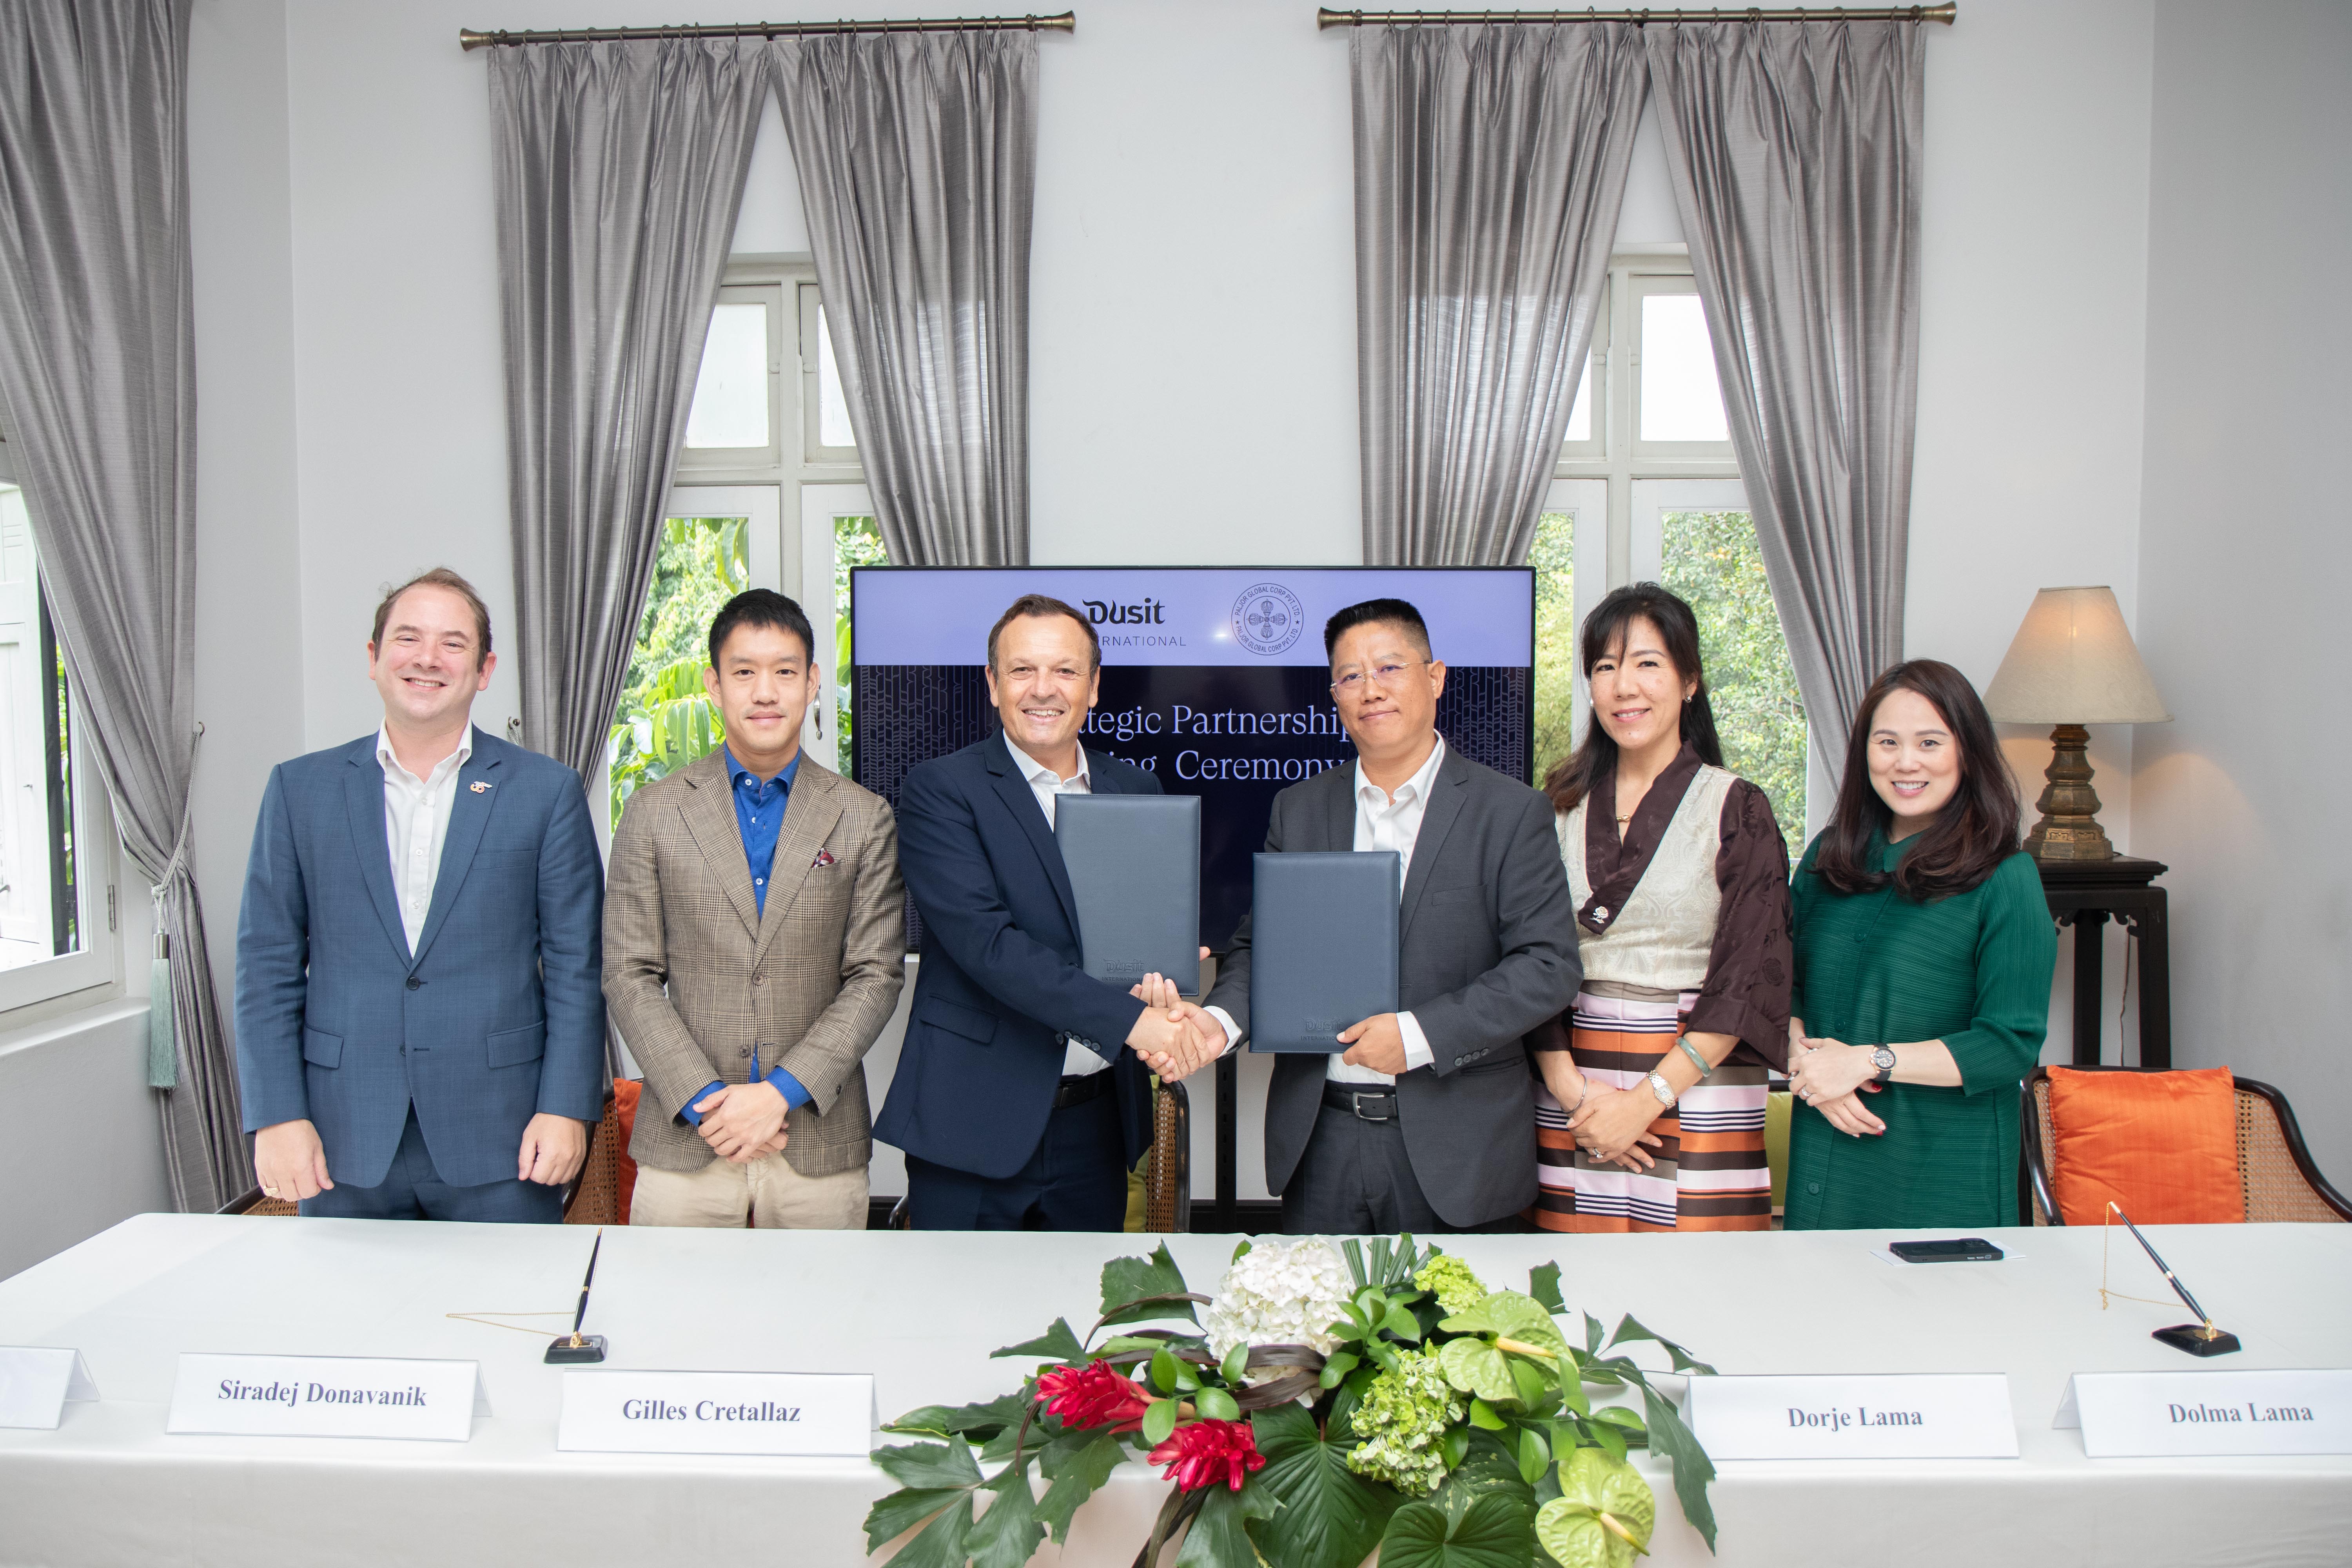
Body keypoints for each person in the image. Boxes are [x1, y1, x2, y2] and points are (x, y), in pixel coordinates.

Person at [1149, 597, 1582, 1235]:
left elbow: (1548, 967)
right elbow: (1262, 948)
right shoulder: (1299, 809)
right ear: (1334, 695)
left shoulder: (1510, 813)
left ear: (1434, 677)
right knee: (1316, 1333)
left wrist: (1416, 1035)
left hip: (1456, 1148)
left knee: (1448, 1334)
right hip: (1319, 1136)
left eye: (1389, 668)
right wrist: (1219, 1024)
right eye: (1350, 676)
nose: (1370, 690)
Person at [235, 568, 605, 1220]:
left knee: (506, 1317)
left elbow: (577, 968)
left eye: (453, 643)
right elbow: (266, 967)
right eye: (408, 638)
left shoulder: (546, 792)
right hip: (339, 1132)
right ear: (374, 658)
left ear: (485, 668)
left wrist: (565, 1106)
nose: (428, 658)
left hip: (504, 1134)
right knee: (351, 1322)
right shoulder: (300, 791)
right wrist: (277, 1114)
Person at [878, 595, 1208, 1230]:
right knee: (958, 1323)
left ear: (1094, 686)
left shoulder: (1137, 791)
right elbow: (987, 946)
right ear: (993, 684)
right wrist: (1134, 1022)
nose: (1043, 690)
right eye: (1023, 670)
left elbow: (1133, 936)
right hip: (971, 1117)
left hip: (1097, 1124)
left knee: (1086, 1318)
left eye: (1065, 670)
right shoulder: (942, 789)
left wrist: (1164, 971)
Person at [605, 590, 906, 1229]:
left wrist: (778, 1095)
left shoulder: (863, 816)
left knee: (822, 1324)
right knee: (677, 1325)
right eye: (744, 672)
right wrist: (709, 1103)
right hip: (687, 1139)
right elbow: (628, 975)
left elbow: (876, 975)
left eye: (785, 671)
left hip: (815, 1139)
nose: (765, 692)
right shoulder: (654, 813)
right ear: (715, 685)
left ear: (813, 682)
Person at [1521, 584, 1793, 1233]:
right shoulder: (1553, 807)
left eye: (1647, 663)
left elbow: (1745, 978)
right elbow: (1524, 957)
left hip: (1696, 1074)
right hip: (1572, 1078)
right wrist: (1574, 1092)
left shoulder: (1737, 807)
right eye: (1605, 667)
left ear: (1689, 680)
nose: (1623, 686)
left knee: (1701, 1293)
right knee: (1570, 1290)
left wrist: (1647, 1100)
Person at [1782, 659, 2058, 1230]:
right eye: (1887, 742)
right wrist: (1809, 1068)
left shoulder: (2007, 878)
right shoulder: (1828, 859)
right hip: (1826, 1145)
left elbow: (2009, 1046)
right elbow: (1783, 989)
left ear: (1967, 752)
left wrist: (1867, 1061)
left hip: (1942, 1169)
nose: (1906, 762)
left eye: (1929, 742)